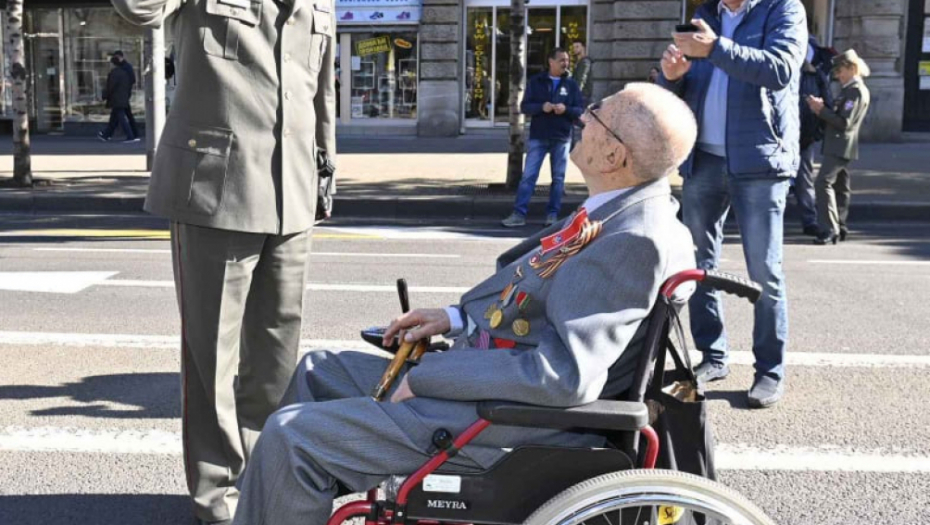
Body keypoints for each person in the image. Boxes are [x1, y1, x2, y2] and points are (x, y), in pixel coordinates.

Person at [231, 83, 697, 525]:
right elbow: (533, 295)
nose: (582, 118)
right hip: (497, 390)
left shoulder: (632, 239)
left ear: (614, 155)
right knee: (318, 370)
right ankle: (287, 498)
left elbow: (562, 376)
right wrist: (455, 319)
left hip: (512, 423)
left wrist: (430, 376)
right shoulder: (620, 209)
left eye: (596, 114)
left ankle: (298, 477)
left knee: (292, 435)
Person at [111, 1, 337, 524]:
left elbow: (320, 90)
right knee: (211, 358)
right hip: (217, 189)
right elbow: (140, 9)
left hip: (293, 191)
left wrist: (324, 172)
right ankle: (218, 500)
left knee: (277, 355)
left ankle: (262, 482)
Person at [658, 0, 807, 408]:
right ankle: (713, 355)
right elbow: (687, 91)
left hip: (760, 160)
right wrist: (672, 78)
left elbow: (780, 69)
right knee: (698, 267)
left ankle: (769, 371)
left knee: (764, 273)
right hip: (704, 159)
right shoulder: (706, 13)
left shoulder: (784, 9)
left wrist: (715, 48)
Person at [502, 48, 584, 228]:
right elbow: (525, 107)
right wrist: (542, 107)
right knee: (529, 176)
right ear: (551, 62)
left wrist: (566, 110)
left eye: (567, 60)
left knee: (558, 178)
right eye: (561, 60)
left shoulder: (571, 84)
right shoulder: (536, 81)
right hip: (539, 135)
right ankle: (519, 214)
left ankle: (552, 215)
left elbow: (580, 110)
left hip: (561, 136)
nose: (565, 63)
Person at [807, 49, 871, 245]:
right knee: (840, 187)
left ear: (852, 68)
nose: (837, 76)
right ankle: (840, 225)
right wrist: (823, 109)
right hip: (839, 144)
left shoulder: (855, 92)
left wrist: (820, 110)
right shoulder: (850, 90)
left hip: (840, 145)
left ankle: (829, 229)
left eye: (840, 71)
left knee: (822, 183)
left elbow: (844, 122)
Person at [795, 38, 833, 237]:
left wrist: (817, 132)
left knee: (804, 180)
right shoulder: (776, 70)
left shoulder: (814, 74)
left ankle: (809, 221)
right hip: (776, 136)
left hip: (804, 136)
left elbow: (828, 104)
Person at [97, 51, 139, 143]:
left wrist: (104, 96)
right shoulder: (125, 71)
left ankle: (130, 136)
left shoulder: (116, 72)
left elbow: (110, 86)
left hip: (118, 97)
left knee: (121, 117)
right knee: (116, 117)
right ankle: (106, 135)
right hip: (123, 96)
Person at [570, 41, 594, 149]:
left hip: (582, 96)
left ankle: (576, 145)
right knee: (577, 120)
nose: (575, 49)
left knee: (578, 120)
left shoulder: (585, 62)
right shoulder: (580, 62)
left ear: (583, 47)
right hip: (581, 96)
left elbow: (581, 80)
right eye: (574, 47)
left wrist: (575, 95)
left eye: (577, 46)